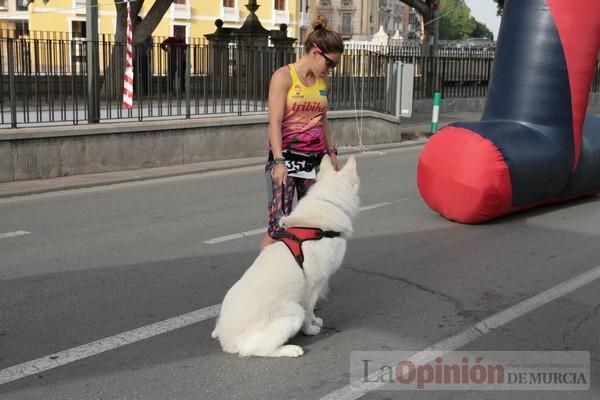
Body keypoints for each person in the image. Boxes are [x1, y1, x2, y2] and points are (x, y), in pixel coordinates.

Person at [260, 16, 344, 250]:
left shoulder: (323, 82)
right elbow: (274, 122)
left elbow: (323, 119)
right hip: (285, 160)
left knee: (313, 223)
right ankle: (265, 279)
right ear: (316, 53)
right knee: (280, 228)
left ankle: (303, 275)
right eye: (330, 64)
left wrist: (331, 152)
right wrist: (278, 162)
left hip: (314, 161)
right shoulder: (284, 77)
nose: (331, 70)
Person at [160, 27, 186, 93]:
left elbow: (185, 47)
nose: (178, 34)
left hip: (182, 59)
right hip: (173, 59)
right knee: (171, 74)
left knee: (182, 75)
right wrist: (167, 50)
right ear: (175, 33)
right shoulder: (170, 39)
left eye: (180, 32)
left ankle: (182, 89)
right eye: (177, 32)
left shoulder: (182, 40)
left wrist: (182, 40)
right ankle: (169, 89)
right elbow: (162, 44)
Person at [133, 16, 153, 95]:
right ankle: (134, 91)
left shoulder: (147, 33)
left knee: (145, 74)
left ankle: (146, 91)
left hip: (144, 56)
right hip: (135, 56)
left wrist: (142, 43)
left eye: (138, 22)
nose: (136, 24)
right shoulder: (133, 32)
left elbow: (150, 45)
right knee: (134, 74)